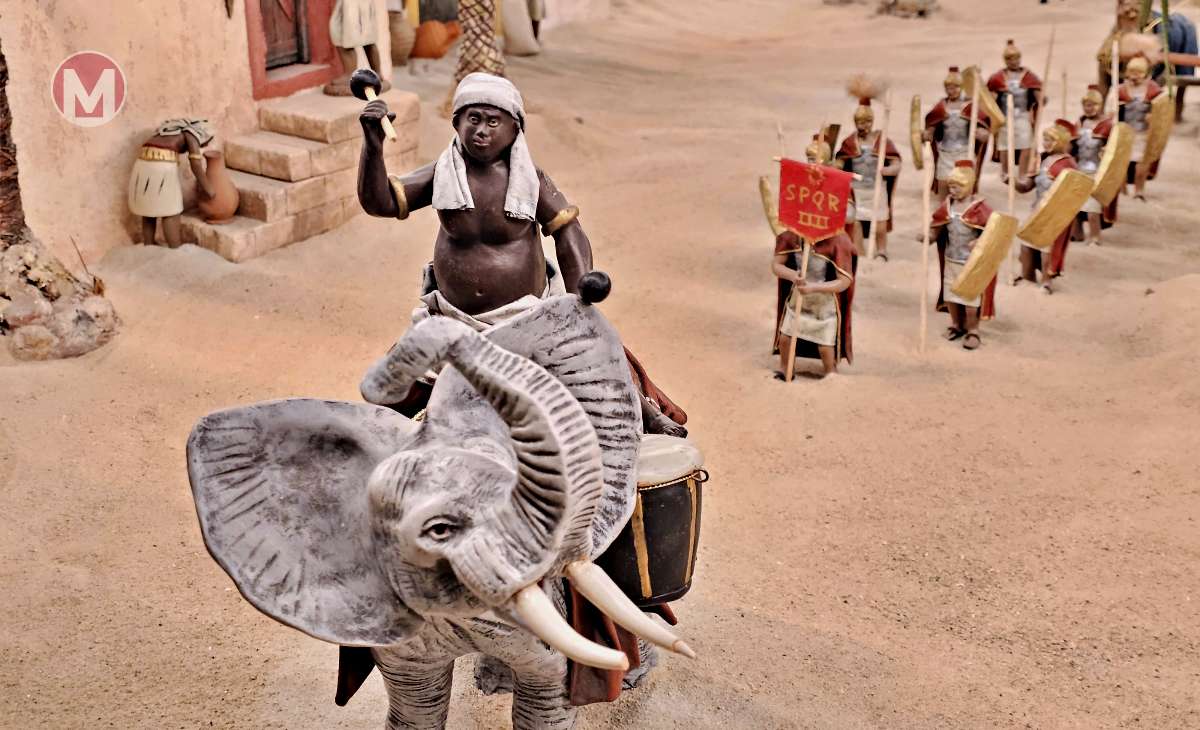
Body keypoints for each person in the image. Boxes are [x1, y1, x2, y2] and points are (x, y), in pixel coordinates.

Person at [357, 72, 686, 434]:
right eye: (473, 119)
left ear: (514, 129)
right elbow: (382, 202)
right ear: (457, 123)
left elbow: (568, 231)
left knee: (594, 360)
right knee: (384, 392)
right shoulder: (443, 174)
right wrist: (373, 147)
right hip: (453, 318)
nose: (482, 130)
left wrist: (580, 296)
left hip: (528, 314)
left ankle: (646, 412)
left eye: (493, 121)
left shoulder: (530, 179)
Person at [771, 226, 855, 378]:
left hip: (823, 303)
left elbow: (845, 280)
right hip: (799, 299)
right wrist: (792, 275)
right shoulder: (791, 236)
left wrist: (814, 287)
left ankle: (831, 373)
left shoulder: (838, 241)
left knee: (825, 346)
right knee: (786, 339)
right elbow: (776, 265)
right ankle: (786, 368)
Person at [929, 161, 995, 351]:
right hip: (951, 258)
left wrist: (980, 241)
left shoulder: (979, 209)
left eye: (957, 186)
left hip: (970, 262)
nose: (953, 190)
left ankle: (973, 330)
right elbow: (938, 226)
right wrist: (930, 236)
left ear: (968, 185)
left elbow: (993, 231)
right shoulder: (948, 206)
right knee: (951, 295)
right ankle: (957, 325)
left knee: (970, 299)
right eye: (951, 186)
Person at [128, 119, 215, 248]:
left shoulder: (167, 131)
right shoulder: (191, 134)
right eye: (205, 143)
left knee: (149, 208)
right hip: (162, 166)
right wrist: (209, 188)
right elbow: (196, 164)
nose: (203, 146)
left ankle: (149, 244)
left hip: (142, 164)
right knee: (171, 209)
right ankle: (175, 247)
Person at [1015, 120, 1079, 293]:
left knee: (1046, 247)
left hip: (1053, 213)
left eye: (1050, 140)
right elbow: (1028, 185)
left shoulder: (1068, 164)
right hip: (1036, 208)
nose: (1046, 143)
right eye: (1045, 140)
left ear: (1060, 141)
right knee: (1026, 241)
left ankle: (1046, 280)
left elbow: (1073, 192)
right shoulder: (1042, 159)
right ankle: (1027, 275)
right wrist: (1015, 182)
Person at [837, 96, 901, 261]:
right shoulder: (850, 142)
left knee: (880, 222)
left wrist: (889, 170)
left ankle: (881, 250)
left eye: (865, 122)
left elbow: (896, 162)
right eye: (858, 122)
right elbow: (840, 161)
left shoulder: (882, 141)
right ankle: (859, 250)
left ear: (871, 122)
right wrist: (836, 167)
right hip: (857, 190)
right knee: (856, 222)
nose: (861, 126)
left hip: (877, 188)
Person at [923, 66, 990, 202]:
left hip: (963, 153)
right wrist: (927, 133)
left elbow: (984, 127)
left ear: (961, 87)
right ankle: (944, 215)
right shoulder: (941, 106)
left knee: (963, 189)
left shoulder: (971, 106)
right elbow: (932, 125)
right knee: (943, 188)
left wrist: (982, 134)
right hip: (945, 152)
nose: (951, 91)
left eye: (954, 88)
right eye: (948, 88)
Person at [988, 39, 1043, 182]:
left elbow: (1038, 95)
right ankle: (1005, 171)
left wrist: (1041, 98)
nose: (1014, 61)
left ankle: (1022, 173)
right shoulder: (998, 77)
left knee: (1026, 143)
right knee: (1004, 144)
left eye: (1017, 58)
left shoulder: (1028, 76)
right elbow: (990, 100)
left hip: (1022, 114)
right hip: (1005, 116)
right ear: (1006, 61)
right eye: (1011, 59)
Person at [1074, 85, 1118, 245]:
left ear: (1100, 106)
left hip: (1096, 171)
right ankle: (1077, 235)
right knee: (1074, 207)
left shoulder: (1107, 125)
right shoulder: (1080, 123)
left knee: (1092, 209)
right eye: (1086, 105)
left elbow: (1115, 150)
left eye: (1092, 105)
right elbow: (1072, 146)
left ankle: (1095, 237)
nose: (1089, 108)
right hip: (1079, 169)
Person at [1118, 55, 1163, 200]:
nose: (1134, 77)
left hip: (1143, 132)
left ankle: (1139, 190)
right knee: (1121, 162)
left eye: (1138, 73)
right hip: (1125, 131)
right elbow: (1111, 112)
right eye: (1131, 72)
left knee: (1142, 162)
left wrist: (1153, 117)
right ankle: (1121, 188)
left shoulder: (1153, 90)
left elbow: (1162, 110)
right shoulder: (1120, 89)